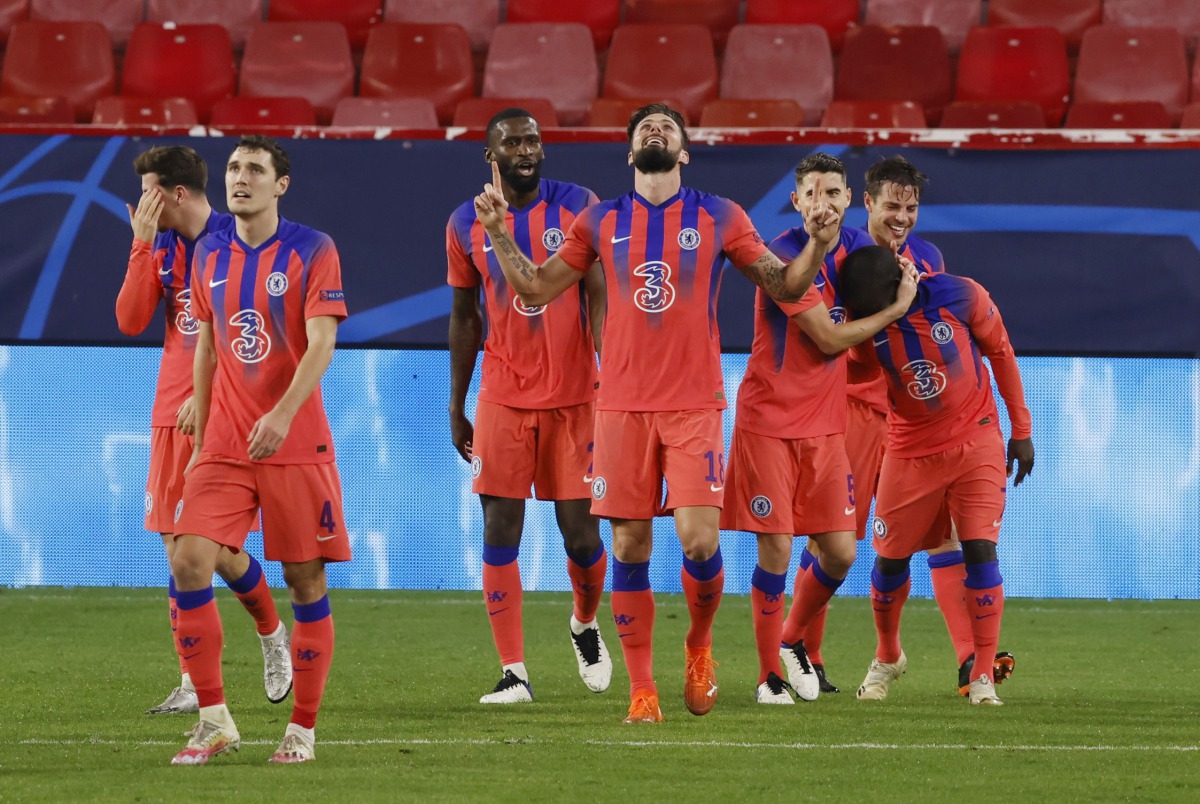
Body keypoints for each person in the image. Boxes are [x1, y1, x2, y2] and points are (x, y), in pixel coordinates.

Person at [473, 104, 838, 722]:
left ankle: (699, 646)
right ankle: (642, 690)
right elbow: (534, 287)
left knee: (699, 542)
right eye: (645, 125)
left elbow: (783, 286)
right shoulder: (600, 219)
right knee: (629, 542)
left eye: (668, 126)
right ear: (630, 152)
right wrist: (501, 233)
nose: (656, 129)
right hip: (618, 407)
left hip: (694, 405)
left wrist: (819, 244)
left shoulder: (720, 214)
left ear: (685, 152)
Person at [168, 135, 350, 764]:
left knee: (304, 579)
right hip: (224, 441)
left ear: (281, 185)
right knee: (189, 557)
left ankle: (301, 728)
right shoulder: (208, 252)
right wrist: (200, 429)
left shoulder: (312, 249)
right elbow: (209, 344)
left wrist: (281, 412)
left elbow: (323, 342)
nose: (239, 178)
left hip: (293, 440)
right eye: (233, 168)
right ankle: (215, 719)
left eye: (254, 170)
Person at [721, 153, 917, 704]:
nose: (825, 203)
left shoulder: (859, 251)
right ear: (797, 201)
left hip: (826, 426)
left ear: (848, 200)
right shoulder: (779, 251)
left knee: (840, 551)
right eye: (814, 193)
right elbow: (828, 340)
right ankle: (768, 678)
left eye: (835, 193)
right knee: (778, 552)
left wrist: (900, 276)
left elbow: (884, 271)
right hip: (770, 423)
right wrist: (895, 310)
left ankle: (792, 640)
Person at [116, 145, 291, 717]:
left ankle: (270, 632)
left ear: (174, 193)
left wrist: (209, 394)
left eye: (146, 191)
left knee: (213, 549)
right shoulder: (160, 247)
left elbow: (247, 331)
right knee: (180, 552)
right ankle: (194, 681)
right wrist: (141, 245)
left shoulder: (229, 240)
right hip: (170, 413)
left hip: (223, 414)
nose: (139, 202)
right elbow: (131, 320)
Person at [447, 108, 612, 703]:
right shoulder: (464, 221)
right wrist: (457, 402)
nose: (525, 149)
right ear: (489, 153)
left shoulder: (579, 205)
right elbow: (465, 316)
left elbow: (597, 293)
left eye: (533, 140)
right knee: (500, 529)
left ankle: (585, 623)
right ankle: (514, 671)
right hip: (503, 396)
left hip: (576, 396)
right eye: (512, 141)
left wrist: (608, 371)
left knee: (581, 539)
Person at [838, 245, 1034, 706]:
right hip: (909, 451)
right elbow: (852, 369)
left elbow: (1001, 353)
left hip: (977, 439)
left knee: (980, 549)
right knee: (888, 562)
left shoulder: (961, 295)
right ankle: (888, 655)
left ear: (900, 286)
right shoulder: (868, 325)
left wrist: (1021, 430)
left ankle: (981, 673)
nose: (872, 316)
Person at [853, 155, 1014, 695]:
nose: (901, 217)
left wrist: (1014, 425)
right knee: (846, 547)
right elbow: (839, 353)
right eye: (891, 205)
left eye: (911, 207)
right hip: (865, 417)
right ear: (867, 202)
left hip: (954, 432)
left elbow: (979, 348)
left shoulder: (937, 269)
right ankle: (813, 652)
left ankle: (976, 664)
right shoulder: (841, 263)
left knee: (957, 541)